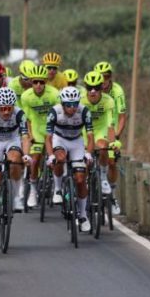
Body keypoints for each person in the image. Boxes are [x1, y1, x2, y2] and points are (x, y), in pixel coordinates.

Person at [45, 86, 94, 233]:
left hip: (77, 141)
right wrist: (50, 155)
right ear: (62, 103)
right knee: (60, 158)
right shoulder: (54, 112)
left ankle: (83, 215)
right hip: (59, 140)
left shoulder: (84, 111)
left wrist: (89, 153)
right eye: (68, 105)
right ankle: (58, 189)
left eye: (75, 104)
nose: (72, 108)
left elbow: (91, 136)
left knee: (80, 179)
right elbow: (48, 138)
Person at [0, 87, 30, 234]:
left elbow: (25, 137)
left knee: (15, 160)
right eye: (2, 108)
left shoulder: (19, 114)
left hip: (12, 139)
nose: (6, 112)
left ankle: (16, 196)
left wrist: (26, 154)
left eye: (9, 108)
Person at [18, 65, 60, 208]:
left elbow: (60, 116)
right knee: (34, 160)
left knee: (57, 159)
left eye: (41, 82)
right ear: (31, 82)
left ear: (45, 82)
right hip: (36, 128)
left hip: (52, 128)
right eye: (35, 82)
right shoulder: (26, 96)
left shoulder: (54, 94)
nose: (38, 85)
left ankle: (57, 187)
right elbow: (27, 119)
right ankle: (33, 190)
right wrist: (29, 136)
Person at [81, 71, 121, 215]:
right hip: (84, 131)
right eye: (89, 88)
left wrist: (113, 143)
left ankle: (103, 177)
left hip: (100, 131)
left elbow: (111, 126)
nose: (93, 91)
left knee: (104, 148)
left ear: (101, 88)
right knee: (83, 166)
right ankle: (82, 192)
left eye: (96, 88)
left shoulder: (108, 101)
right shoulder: (80, 100)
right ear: (85, 87)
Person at [94, 61, 127, 142]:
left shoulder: (117, 91)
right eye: (101, 77)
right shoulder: (92, 90)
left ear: (110, 77)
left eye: (106, 77)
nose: (104, 80)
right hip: (96, 128)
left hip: (111, 129)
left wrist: (117, 136)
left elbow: (122, 117)